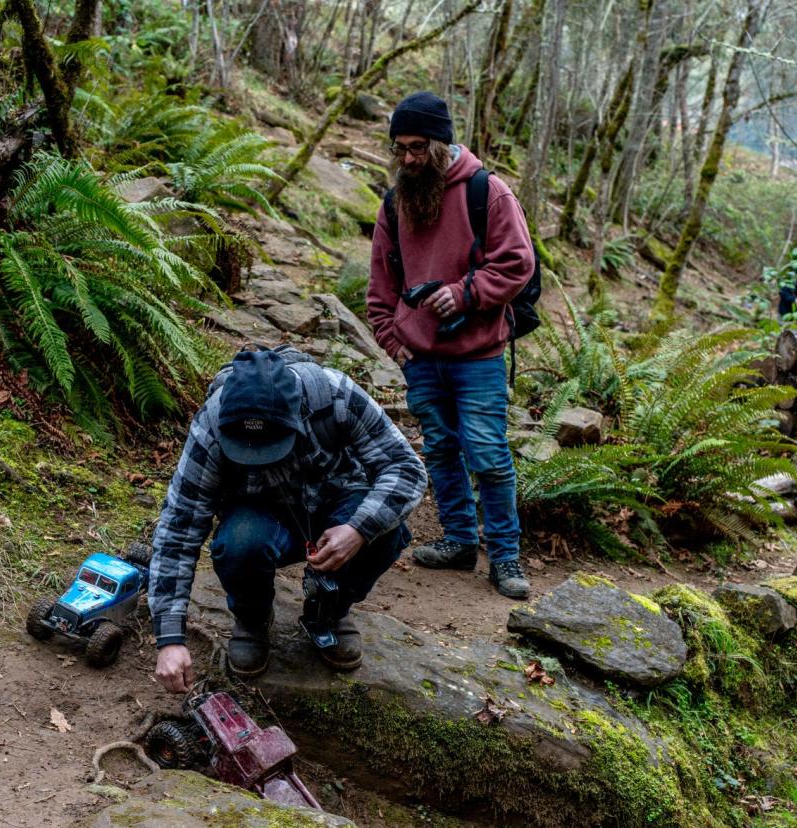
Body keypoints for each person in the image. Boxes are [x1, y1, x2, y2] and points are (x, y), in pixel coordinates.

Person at [148, 347, 427, 693]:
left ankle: (330, 610)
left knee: (386, 530)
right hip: (261, 516)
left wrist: (358, 529)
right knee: (239, 544)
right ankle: (252, 619)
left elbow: (406, 468)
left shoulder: (336, 396)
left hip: (337, 505)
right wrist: (169, 637)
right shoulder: (211, 426)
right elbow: (179, 526)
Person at [366, 91, 536, 600]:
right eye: (400, 149)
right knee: (439, 451)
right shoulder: (395, 203)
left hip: (479, 356)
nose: (409, 159)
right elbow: (381, 284)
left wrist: (465, 294)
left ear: (442, 143)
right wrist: (392, 339)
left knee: (487, 453)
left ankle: (505, 557)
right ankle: (460, 541)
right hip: (421, 359)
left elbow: (517, 264)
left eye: (418, 147)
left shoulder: (488, 192)